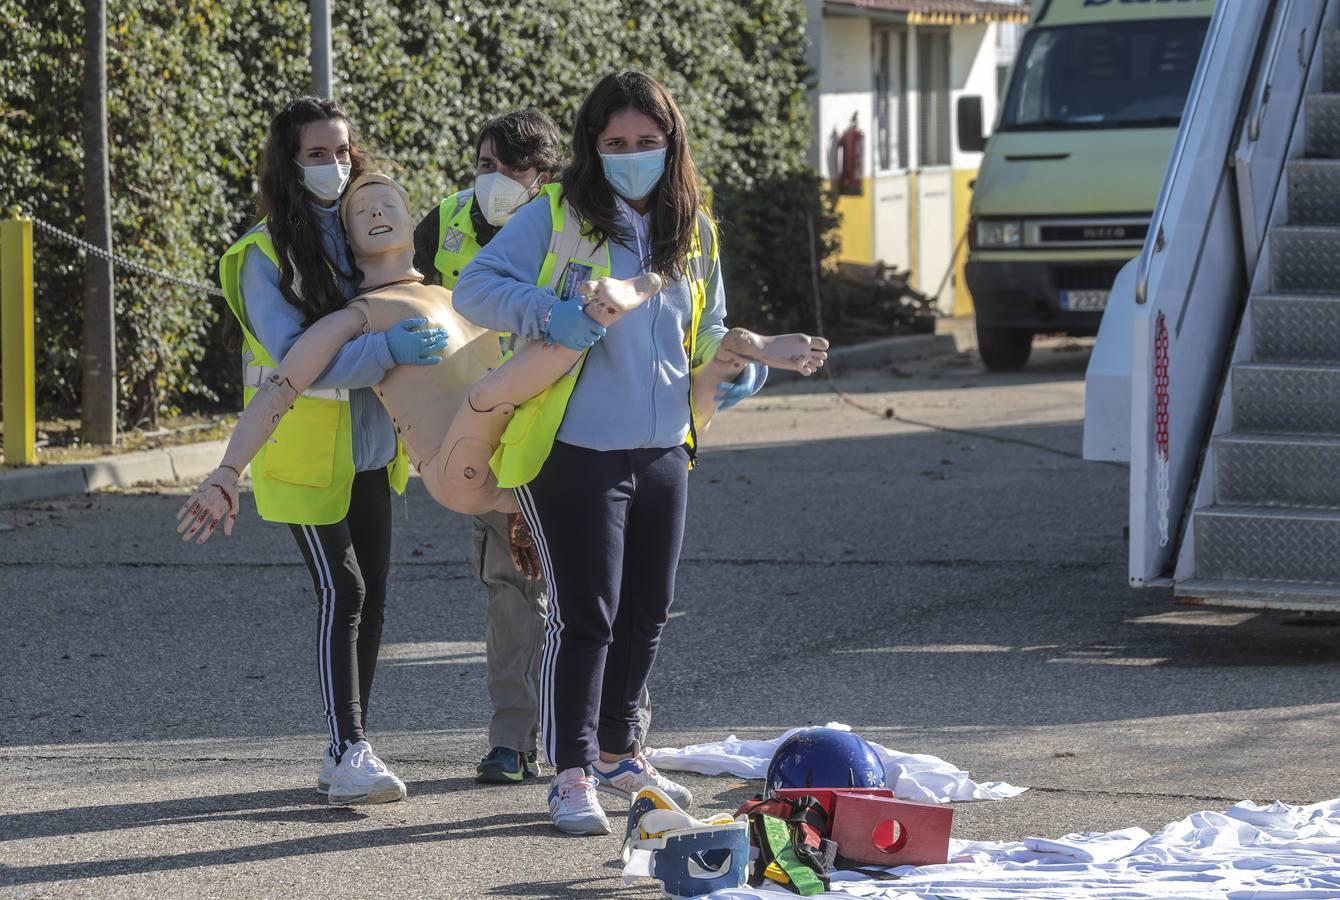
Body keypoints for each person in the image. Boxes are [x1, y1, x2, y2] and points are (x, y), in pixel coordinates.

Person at [450, 70, 826, 836]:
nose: (631, 156)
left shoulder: (692, 226)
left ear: (671, 144)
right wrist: (559, 314)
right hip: (572, 448)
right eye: (616, 143)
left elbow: (711, 328)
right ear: (592, 146)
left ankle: (622, 751)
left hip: (664, 445)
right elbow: (476, 288)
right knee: (583, 616)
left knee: (646, 612)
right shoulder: (554, 214)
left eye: (647, 143)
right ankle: (570, 771)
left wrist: (757, 350)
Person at [214, 98, 448, 807]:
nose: (336, 166)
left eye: (343, 152)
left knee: (372, 599)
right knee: (342, 591)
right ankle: (348, 749)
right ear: (287, 164)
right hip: (304, 454)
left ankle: (349, 747)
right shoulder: (263, 254)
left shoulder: (359, 233)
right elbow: (294, 359)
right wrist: (386, 350)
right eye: (318, 155)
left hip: (372, 447)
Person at [411, 109, 568, 786]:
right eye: (485, 165)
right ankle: (512, 739)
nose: (496, 180)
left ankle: (606, 742)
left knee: (591, 590)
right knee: (511, 586)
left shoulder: (573, 227)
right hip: (480, 431)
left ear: (544, 177)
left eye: (513, 169)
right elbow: (401, 302)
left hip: (565, 429)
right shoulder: (442, 224)